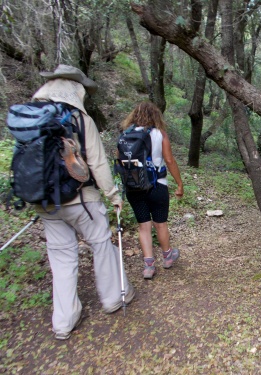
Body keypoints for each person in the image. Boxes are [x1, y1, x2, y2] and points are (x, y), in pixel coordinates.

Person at [32, 64, 135, 340]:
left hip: (45, 201)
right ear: (75, 90)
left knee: (61, 257)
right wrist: (113, 196)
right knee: (101, 244)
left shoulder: (32, 119)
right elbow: (98, 163)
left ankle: (64, 321)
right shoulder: (80, 119)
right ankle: (113, 297)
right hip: (82, 200)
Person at [120, 102, 184, 279]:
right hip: (157, 185)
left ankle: (149, 266)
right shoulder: (159, 134)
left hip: (134, 187)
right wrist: (179, 183)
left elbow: (120, 161)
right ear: (156, 116)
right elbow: (169, 160)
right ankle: (167, 257)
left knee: (143, 226)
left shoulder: (126, 135)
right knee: (160, 223)